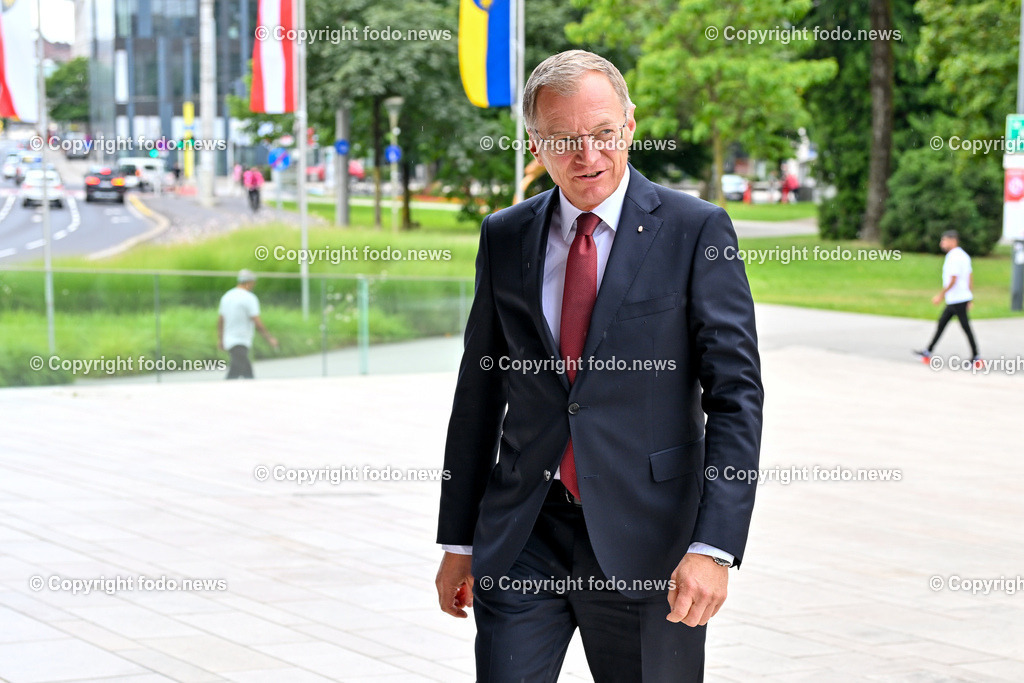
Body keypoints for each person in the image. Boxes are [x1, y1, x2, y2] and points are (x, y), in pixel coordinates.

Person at [435, 50, 763, 682]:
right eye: (563, 139)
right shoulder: (504, 235)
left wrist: (715, 546)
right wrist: (459, 541)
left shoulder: (695, 230)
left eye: (604, 132)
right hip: (524, 535)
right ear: (536, 144)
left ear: (630, 125)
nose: (587, 154)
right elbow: (477, 393)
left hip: (651, 545)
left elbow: (736, 396)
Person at [915, 230, 980, 364]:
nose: (941, 243)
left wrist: (940, 296)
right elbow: (970, 277)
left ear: (953, 241)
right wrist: (970, 297)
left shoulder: (953, 257)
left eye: (944, 240)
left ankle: (976, 357)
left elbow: (953, 279)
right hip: (959, 298)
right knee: (942, 324)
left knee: (965, 327)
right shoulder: (964, 256)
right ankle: (928, 351)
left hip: (957, 299)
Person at [217, 269, 278, 379]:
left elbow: (221, 320)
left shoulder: (227, 296)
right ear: (249, 282)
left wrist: (221, 339)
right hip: (241, 339)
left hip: (229, 339)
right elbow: (257, 322)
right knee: (237, 371)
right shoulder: (249, 298)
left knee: (246, 372)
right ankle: (224, 389)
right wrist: (269, 338)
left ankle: (248, 388)